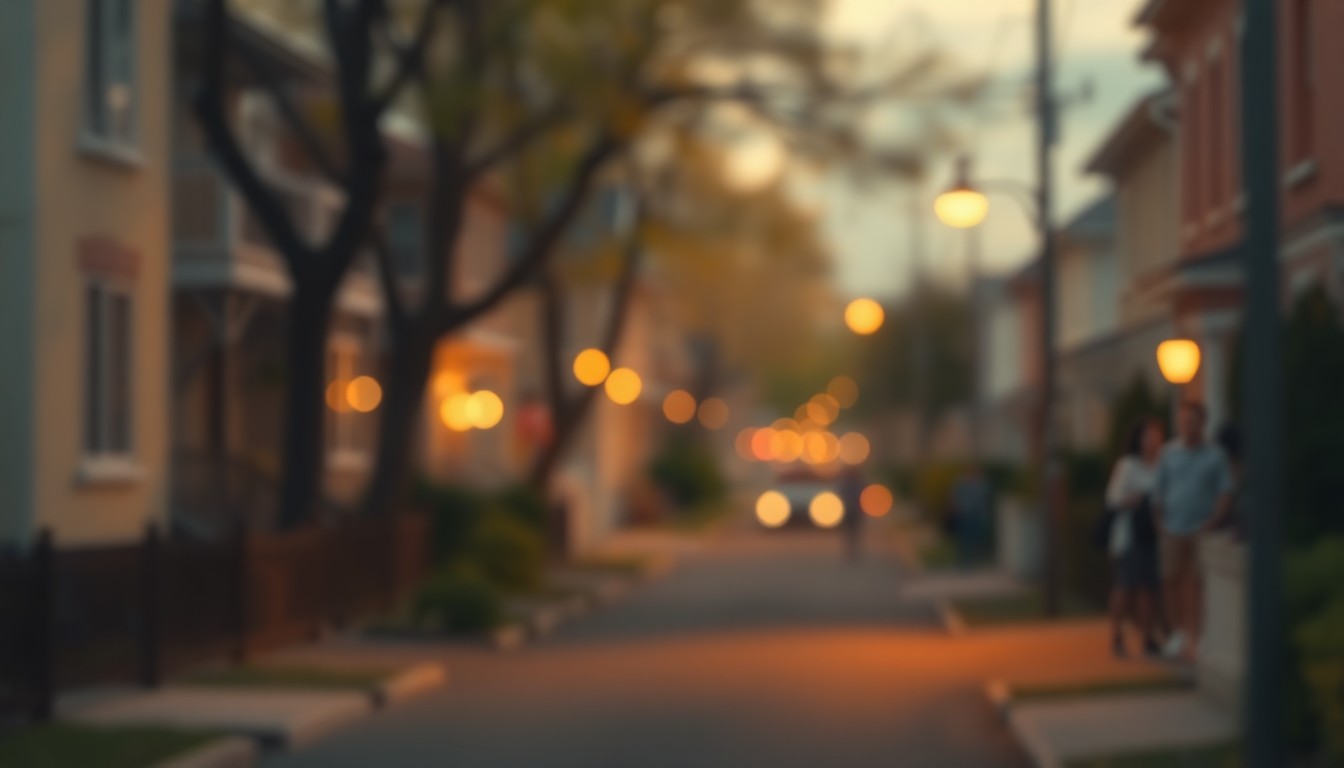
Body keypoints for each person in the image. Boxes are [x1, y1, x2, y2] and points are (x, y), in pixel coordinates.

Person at [1152, 401, 1235, 660]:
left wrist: (1215, 519)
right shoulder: (1168, 453)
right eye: (1185, 421)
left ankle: (1198, 636)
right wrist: (1160, 523)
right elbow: (1158, 492)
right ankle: (1177, 634)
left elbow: (1225, 490)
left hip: (1202, 528)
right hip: (1172, 527)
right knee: (1170, 579)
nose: (1189, 426)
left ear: (1202, 423)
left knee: (1198, 583)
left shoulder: (1215, 454)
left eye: (1194, 421)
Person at [1104, 418, 1165, 657]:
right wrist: (1137, 499)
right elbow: (1113, 498)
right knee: (1126, 586)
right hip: (1131, 536)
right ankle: (1117, 634)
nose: (1153, 441)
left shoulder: (1162, 465)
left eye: (1157, 436)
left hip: (1155, 535)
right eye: (1148, 436)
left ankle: (1148, 637)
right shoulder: (1128, 466)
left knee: (1149, 588)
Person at [950, 464, 993, 569]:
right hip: (965, 514)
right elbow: (955, 497)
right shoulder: (961, 483)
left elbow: (986, 498)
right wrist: (957, 508)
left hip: (977, 514)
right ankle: (964, 561)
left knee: (976, 538)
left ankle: (974, 560)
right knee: (964, 538)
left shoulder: (982, 484)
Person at [839, 467, 866, 563]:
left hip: (855, 511)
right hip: (850, 511)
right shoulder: (846, 484)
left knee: (854, 532)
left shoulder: (858, 484)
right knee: (850, 532)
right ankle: (851, 550)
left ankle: (853, 550)